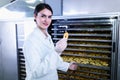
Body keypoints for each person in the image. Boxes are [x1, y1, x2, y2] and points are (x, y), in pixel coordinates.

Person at [23, 3, 78, 80]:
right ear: (35, 16)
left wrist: (67, 66)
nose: (46, 20)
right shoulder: (31, 41)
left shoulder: (47, 37)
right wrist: (56, 51)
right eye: (43, 16)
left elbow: (51, 61)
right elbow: (36, 71)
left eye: (49, 17)